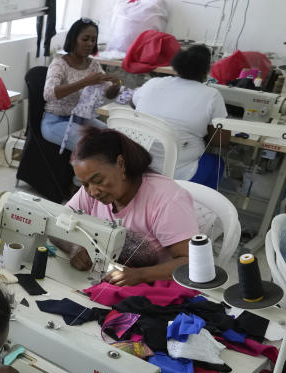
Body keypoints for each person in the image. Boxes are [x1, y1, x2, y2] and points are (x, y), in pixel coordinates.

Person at [55, 128, 201, 285]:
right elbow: (56, 223)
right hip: (109, 283)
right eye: (85, 184)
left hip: (154, 291)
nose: (92, 191)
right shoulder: (90, 191)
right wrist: (73, 248)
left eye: (98, 180)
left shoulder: (167, 200)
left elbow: (190, 263)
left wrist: (140, 275)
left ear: (121, 164)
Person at [132, 44, 228, 185]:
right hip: (179, 171)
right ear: (206, 71)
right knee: (216, 162)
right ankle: (197, 204)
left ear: (176, 66)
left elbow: (132, 103)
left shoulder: (153, 83)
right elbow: (221, 140)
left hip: (137, 163)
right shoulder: (212, 95)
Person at [42, 18, 121, 150]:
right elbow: (49, 94)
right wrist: (84, 82)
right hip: (55, 122)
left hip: (81, 119)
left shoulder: (93, 65)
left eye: (93, 40)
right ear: (74, 39)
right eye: (85, 39)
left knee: (116, 138)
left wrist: (116, 85)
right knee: (96, 146)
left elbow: (108, 93)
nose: (90, 43)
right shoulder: (59, 64)